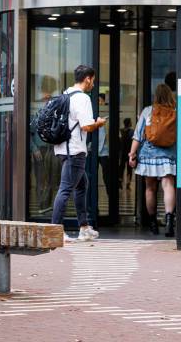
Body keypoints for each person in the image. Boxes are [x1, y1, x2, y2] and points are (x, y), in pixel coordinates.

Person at [51, 65, 106, 242]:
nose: (93, 84)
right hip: (74, 150)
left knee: (82, 184)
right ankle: (55, 230)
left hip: (62, 148)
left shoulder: (66, 94)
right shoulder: (83, 98)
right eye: (93, 80)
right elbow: (85, 126)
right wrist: (99, 123)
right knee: (66, 189)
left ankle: (84, 227)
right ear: (88, 79)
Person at [128, 84, 176, 237]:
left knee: (150, 189)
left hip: (148, 155)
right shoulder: (176, 112)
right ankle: (169, 222)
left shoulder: (148, 111)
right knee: (168, 186)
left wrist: (132, 153)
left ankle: (153, 223)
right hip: (168, 155)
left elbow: (138, 135)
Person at [119, 118, 134, 190]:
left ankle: (120, 181)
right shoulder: (132, 132)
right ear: (129, 123)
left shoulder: (120, 131)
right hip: (129, 152)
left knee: (121, 168)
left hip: (122, 152)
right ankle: (128, 184)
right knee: (129, 169)